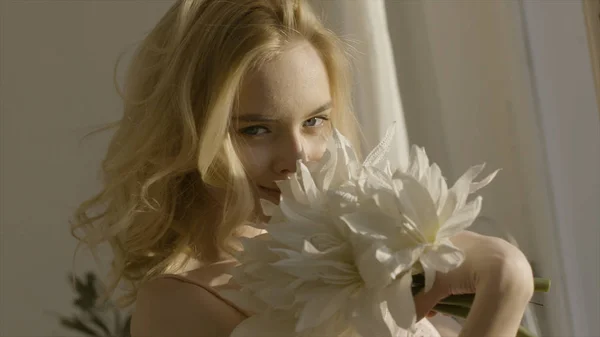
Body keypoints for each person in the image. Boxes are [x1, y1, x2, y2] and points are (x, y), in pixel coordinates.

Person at [72, 1, 534, 336]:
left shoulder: (378, 247)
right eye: (255, 130)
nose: (298, 160)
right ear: (186, 137)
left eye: (314, 121)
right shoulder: (178, 307)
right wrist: (507, 285)